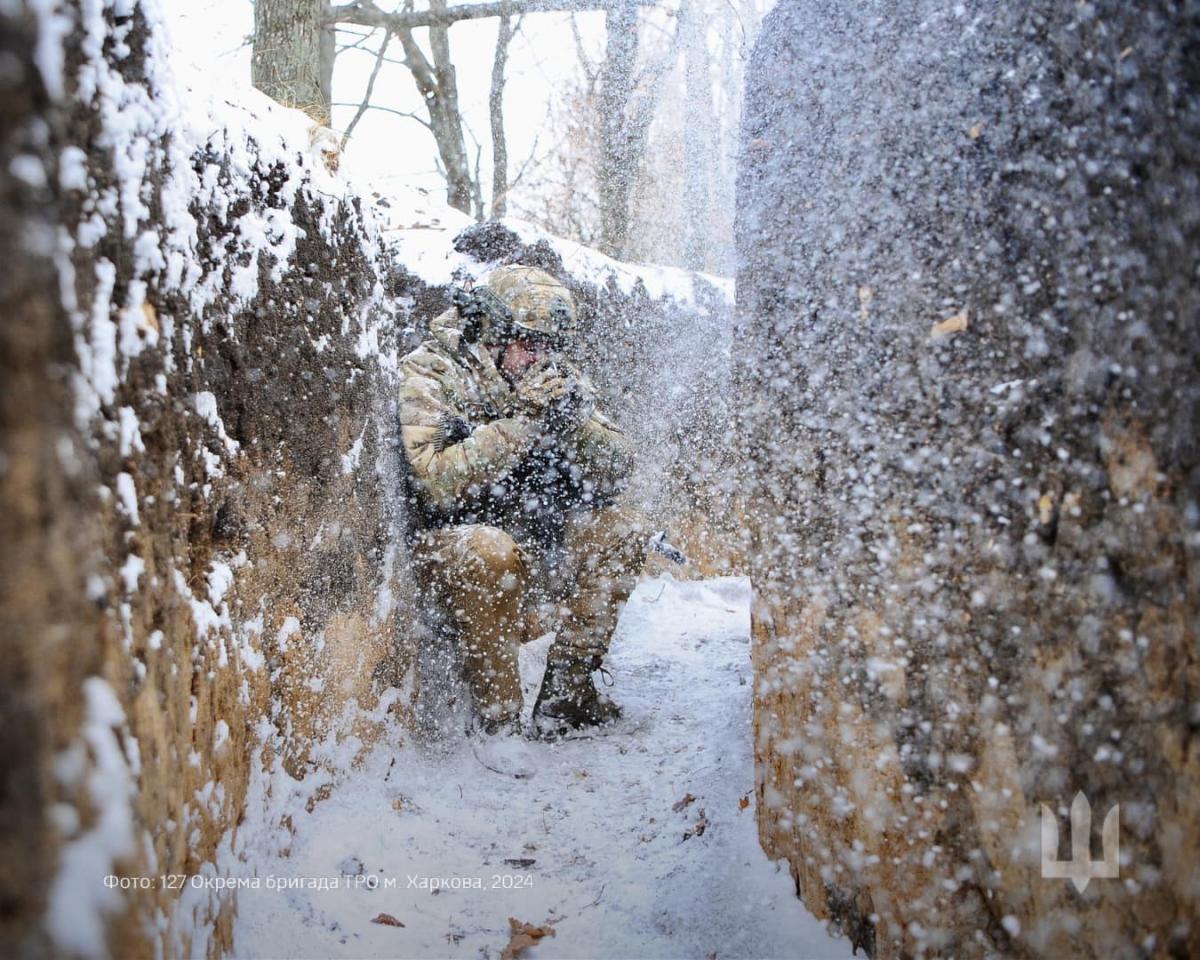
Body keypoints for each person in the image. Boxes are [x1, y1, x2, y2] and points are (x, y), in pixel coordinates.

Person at [398, 265, 648, 737]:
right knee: (490, 549)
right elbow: (433, 482)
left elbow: (619, 465)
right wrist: (523, 422)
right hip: (450, 557)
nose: (543, 359)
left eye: (552, 347)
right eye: (530, 345)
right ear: (491, 334)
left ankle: (566, 700)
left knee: (625, 530)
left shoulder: (549, 373)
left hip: (532, 545)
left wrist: (577, 424)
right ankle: (499, 723)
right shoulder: (432, 370)